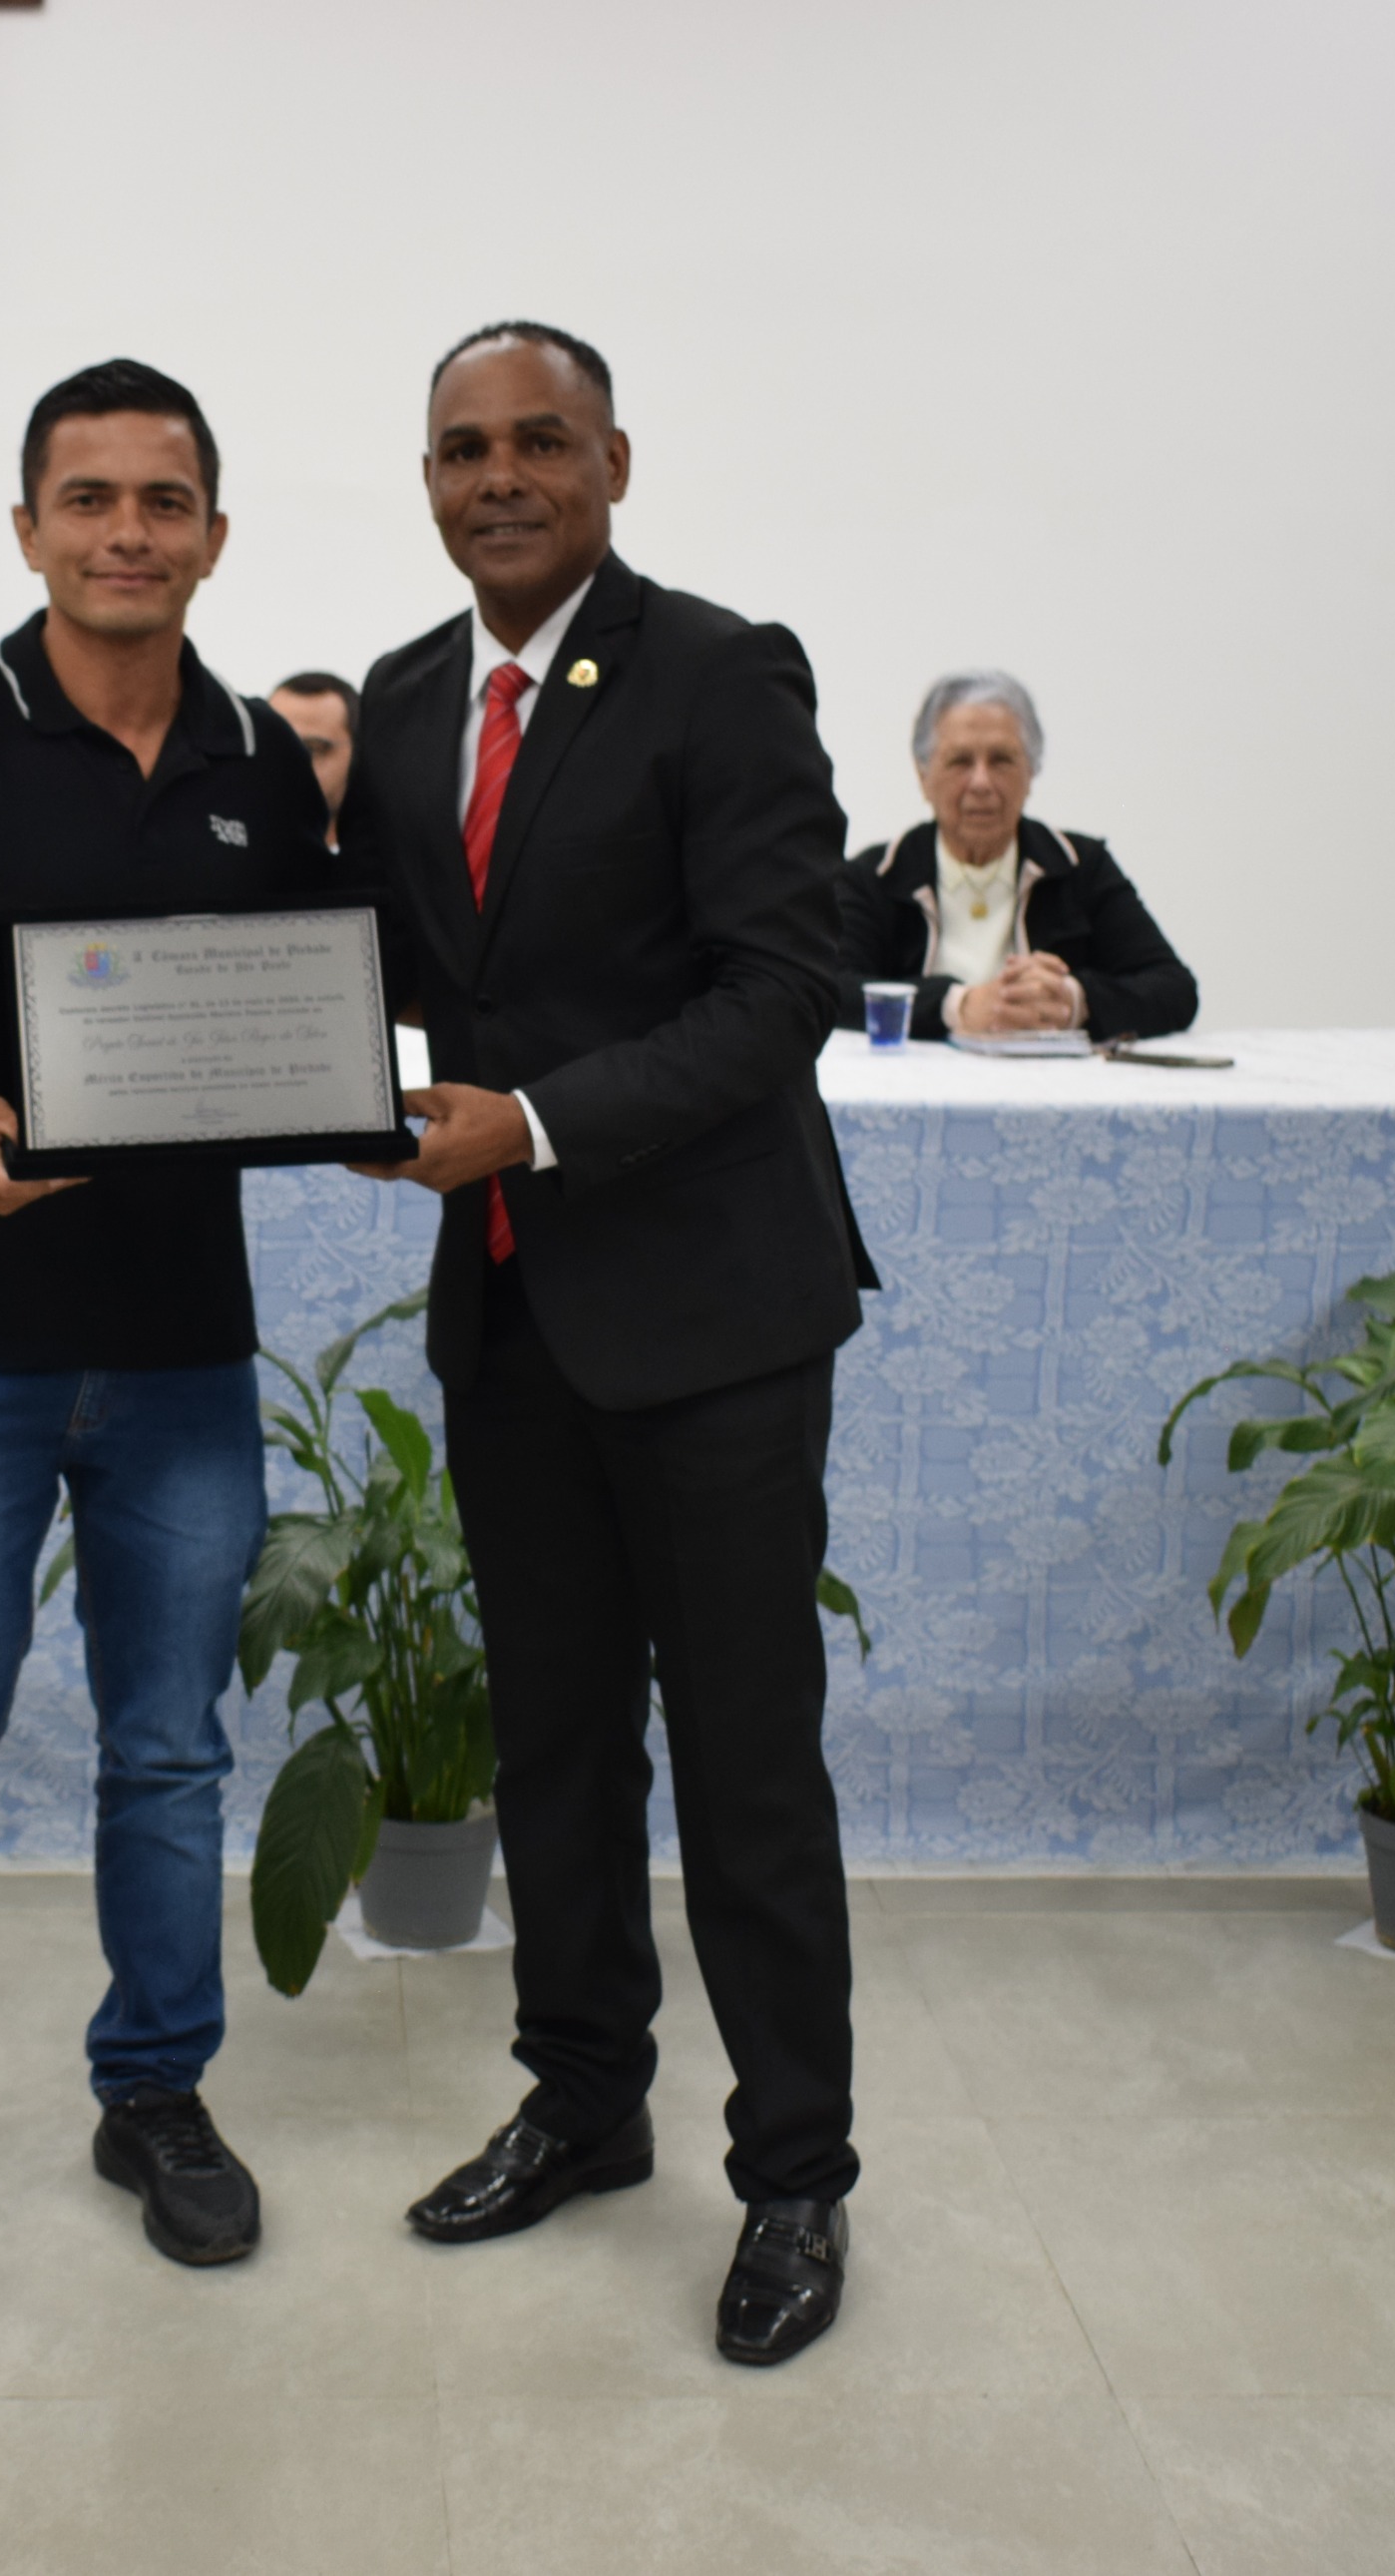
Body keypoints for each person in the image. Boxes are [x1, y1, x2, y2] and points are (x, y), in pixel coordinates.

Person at [0, 358, 342, 2318]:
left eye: (161, 500)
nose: (125, 532)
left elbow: (301, 1016)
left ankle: (153, 2095)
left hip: (183, 1355)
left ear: (213, 534)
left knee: (169, 1754)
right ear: (28, 528)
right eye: (86, 498)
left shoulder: (262, 764)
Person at [337, 321, 873, 2368]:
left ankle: (796, 2175)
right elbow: (378, 966)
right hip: (509, 1312)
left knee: (743, 1765)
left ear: (614, 464)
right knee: (553, 1745)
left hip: (712, 1320)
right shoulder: (403, 698)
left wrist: (536, 1125)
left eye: (539, 441)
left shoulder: (720, 673)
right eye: (461, 447)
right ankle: (583, 2100)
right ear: (427, 479)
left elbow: (780, 987)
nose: (499, 476)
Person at [844, 670, 1195, 1042]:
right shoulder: (876, 876)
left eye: (1001, 760)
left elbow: (1175, 989)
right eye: (960, 761)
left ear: (1031, 771)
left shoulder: (1080, 866)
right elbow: (831, 987)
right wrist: (957, 1006)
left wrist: (1073, 1000)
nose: (981, 782)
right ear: (923, 775)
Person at [266, 671, 359, 842]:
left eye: (314, 749)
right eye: (276, 746)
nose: (291, 763)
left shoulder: (396, 851)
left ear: (357, 753)